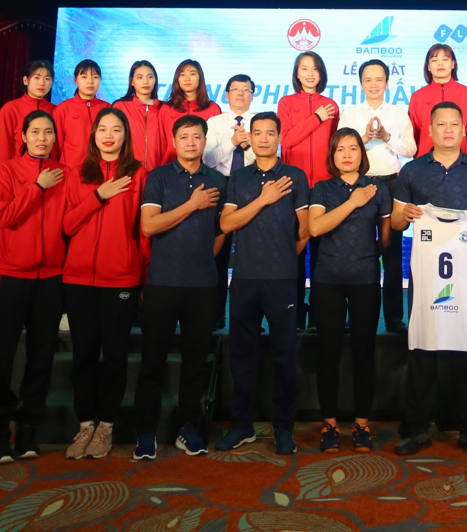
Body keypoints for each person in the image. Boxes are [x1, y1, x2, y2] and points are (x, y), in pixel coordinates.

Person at [391, 101, 467, 458]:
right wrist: (406, 215)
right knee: (423, 347)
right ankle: (417, 428)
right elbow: (395, 222)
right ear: (430, 130)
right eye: (441, 124)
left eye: (455, 124)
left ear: (464, 129)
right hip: (426, 275)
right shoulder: (411, 171)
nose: (448, 129)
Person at [133, 115, 227, 460]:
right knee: (152, 361)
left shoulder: (217, 180)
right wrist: (191, 205)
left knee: (195, 362)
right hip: (162, 282)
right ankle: (146, 431)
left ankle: (189, 429)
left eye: (197, 137)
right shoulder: (158, 177)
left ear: (205, 141)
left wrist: (201, 256)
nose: (190, 142)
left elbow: (221, 230)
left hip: (203, 285)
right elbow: (148, 226)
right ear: (174, 142)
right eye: (184, 137)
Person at [216, 112, 310, 455]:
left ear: (280, 137)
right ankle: (242, 425)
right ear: (250, 138)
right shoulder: (239, 177)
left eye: (270, 133)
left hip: (282, 279)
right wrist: (262, 199)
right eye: (257, 133)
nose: (264, 139)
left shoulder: (295, 176)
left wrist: (283, 256)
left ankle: (283, 427)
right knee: (242, 355)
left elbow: (305, 229)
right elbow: (227, 224)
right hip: (244, 277)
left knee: (285, 356)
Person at [60, 107, 145, 460]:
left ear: (126, 135)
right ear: (93, 135)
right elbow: (67, 225)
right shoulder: (77, 173)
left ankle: (106, 425)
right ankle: (84, 424)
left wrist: (142, 275)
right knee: (83, 354)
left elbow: (143, 230)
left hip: (120, 277)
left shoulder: (138, 173)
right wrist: (99, 195)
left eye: (116, 129)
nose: (109, 135)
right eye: (103, 129)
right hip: (78, 277)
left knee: (114, 354)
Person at [0, 110, 68, 464]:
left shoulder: (64, 173)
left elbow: (69, 222)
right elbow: (5, 217)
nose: (42, 138)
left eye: (48, 132)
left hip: (50, 277)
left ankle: (29, 429)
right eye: (35, 132)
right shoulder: (7, 171)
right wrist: (37, 187)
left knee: (41, 356)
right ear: (22, 136)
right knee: (1, 356)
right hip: (10, 274)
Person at [309, 128, 392, 453]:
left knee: (364, 353)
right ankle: (329, 424)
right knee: (328, 352)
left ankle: (361, 425)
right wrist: (352, 202)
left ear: (362, 153)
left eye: (353, 148)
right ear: (332, 155)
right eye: (340, 148)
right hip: (327, 280)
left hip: (365, 280)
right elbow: (316, 227)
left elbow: (385, 236)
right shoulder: (322, 188)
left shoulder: (379, 189)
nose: (346, 154)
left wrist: (368, 255)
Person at [338, 60, 416, 333]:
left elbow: (411, 149)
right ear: (361, 83)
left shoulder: (398, 113)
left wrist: (385, 136)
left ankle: (394, 318)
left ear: (387, 82)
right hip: (358, 184)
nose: (373, 84)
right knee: (354, 251)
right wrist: (362, 138)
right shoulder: (350, 114)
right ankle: (354, 317)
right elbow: (340, 147)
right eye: (368, 80)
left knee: (392, 252)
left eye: (379, 79)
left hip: (392, 185)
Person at [278, 52, 339, 332]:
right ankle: (294, 313)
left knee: (322, 255)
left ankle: (319, 314)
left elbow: (335, 146)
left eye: (315, 68)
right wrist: (316, 117)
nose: (310, 73)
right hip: (295, 185)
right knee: (295, 251)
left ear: (322, 73)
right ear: (297, 74)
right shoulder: (287, 103)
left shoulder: (332, 105)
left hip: (325, 186)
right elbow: (287, 139)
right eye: (304, 69)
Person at [204, 74, 257, 329]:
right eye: (235, 89)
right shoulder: (214, 122)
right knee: (219, 252)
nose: (240, 93)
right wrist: (233, 142)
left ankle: (250, 317)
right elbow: (207, 159)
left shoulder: (260, 122)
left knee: (251, 253)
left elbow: (270, 155)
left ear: (252, 94)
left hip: (252, 184)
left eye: (245, 89)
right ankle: (215, 314)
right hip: (220, 184)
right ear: (226, 95)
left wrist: (247, 146)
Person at [408, 44, 467, 157]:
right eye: (434, 60)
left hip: (461, 160)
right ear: (428, 66)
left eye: (445, 59)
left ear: (453, 64)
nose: (440, 64)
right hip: (426, 161)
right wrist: (419, 160)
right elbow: (413, 135)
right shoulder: (418, 97)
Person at [0, 60, 56, 167]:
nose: (42, 83)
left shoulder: (56, 110)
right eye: (37, 78)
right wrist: (2, 173)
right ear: (25, 80)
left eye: (47, 79)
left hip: (50, 170)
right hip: (19, 170)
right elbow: (2, 149)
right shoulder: (11, 109)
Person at [112, 60, 170, 172]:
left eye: (150, 77)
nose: (145, 81)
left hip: (160, 174)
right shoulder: (120, 107)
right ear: (132, 81)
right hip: (127, 173)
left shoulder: (166, 109)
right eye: (140, 77)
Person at [162, 59, 222, 164]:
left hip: (204, 167)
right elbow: (160, 143)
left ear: (200, 78)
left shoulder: (212, 109)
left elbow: (218, 145)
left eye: (192, 74)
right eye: (182, 74)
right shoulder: (166, 108)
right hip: (170, 166)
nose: (187, 78)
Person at [53, 60, 109, 169]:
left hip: (100, 171)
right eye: (84, 77)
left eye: (95, 77)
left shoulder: (107, 108)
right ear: (75, 81)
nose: (90, 81)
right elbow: (55, 147)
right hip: (70, 171)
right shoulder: (63, 109)